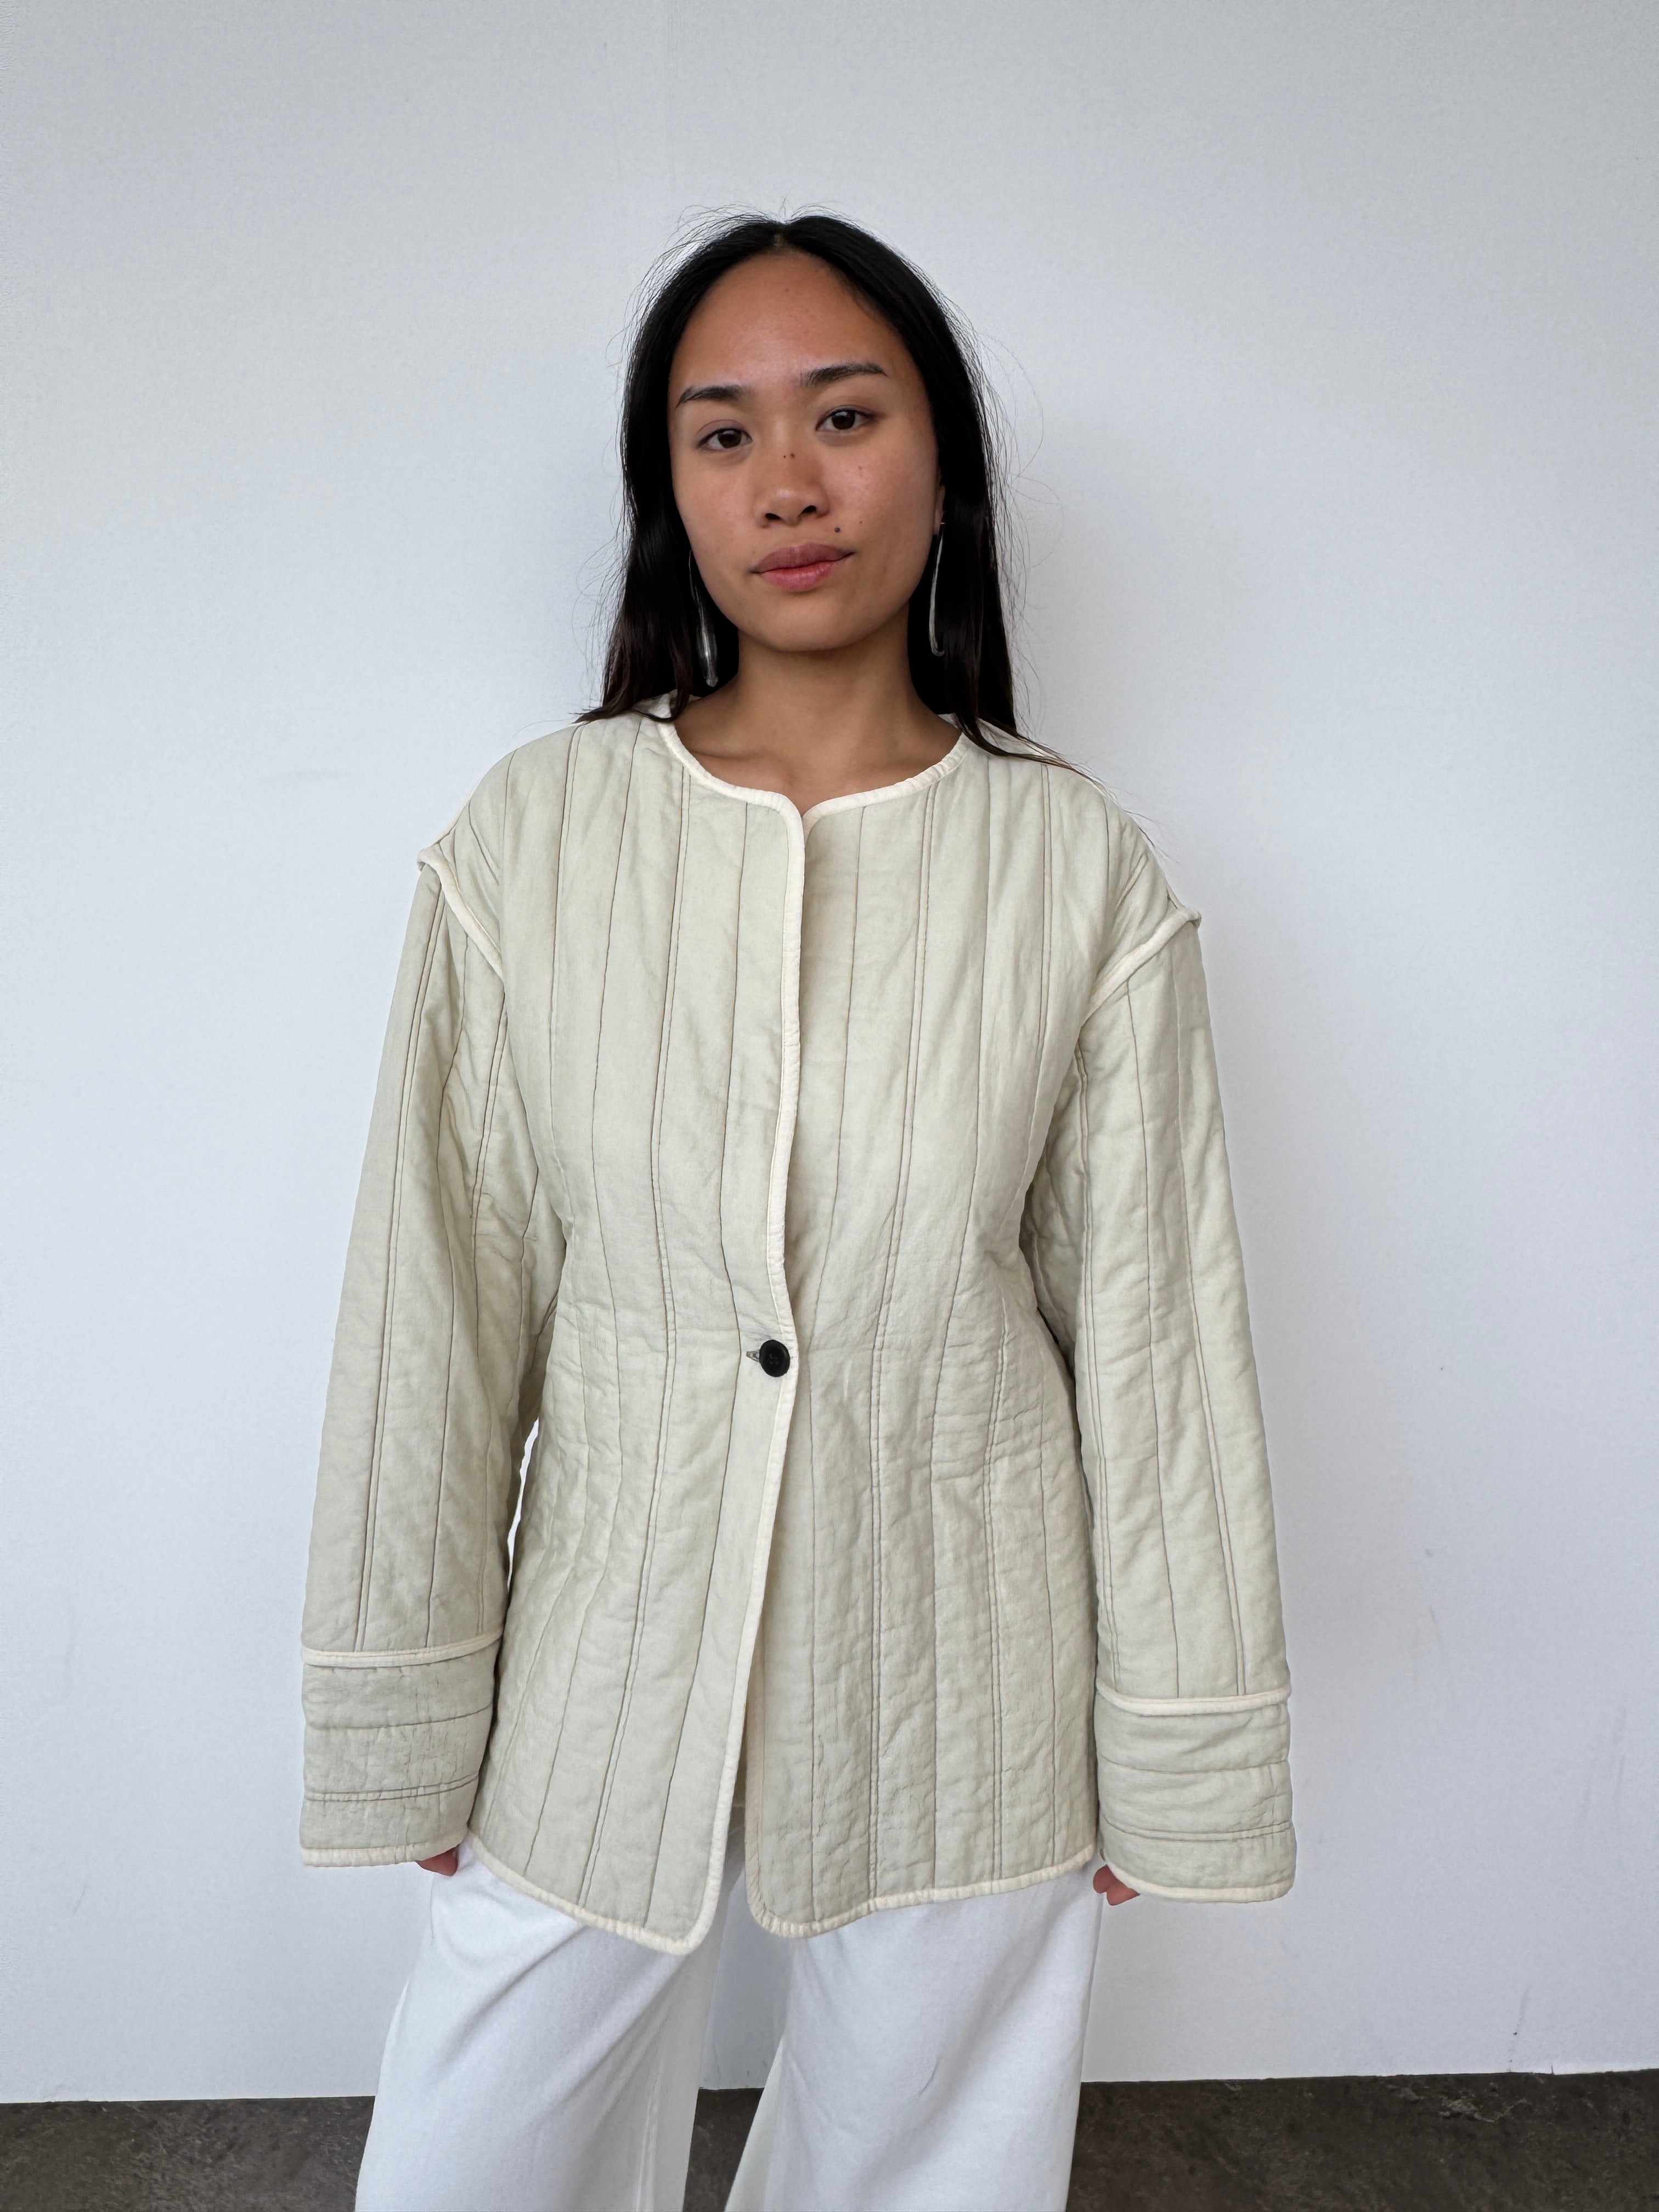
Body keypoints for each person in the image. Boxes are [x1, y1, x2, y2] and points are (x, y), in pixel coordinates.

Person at [298, 210, 1296, 2212]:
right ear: (667, 492)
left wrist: (1170, 1737)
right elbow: (438, 1302)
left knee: (926, 2173)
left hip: (972, 1657)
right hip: (604, 1638)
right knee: (476, 2159)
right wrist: (415, 1696)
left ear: (943, 462)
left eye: (845, 416)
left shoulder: (1075, 869)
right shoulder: (533, 840)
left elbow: (1159, 1339)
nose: (788, 483)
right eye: (722, 432)